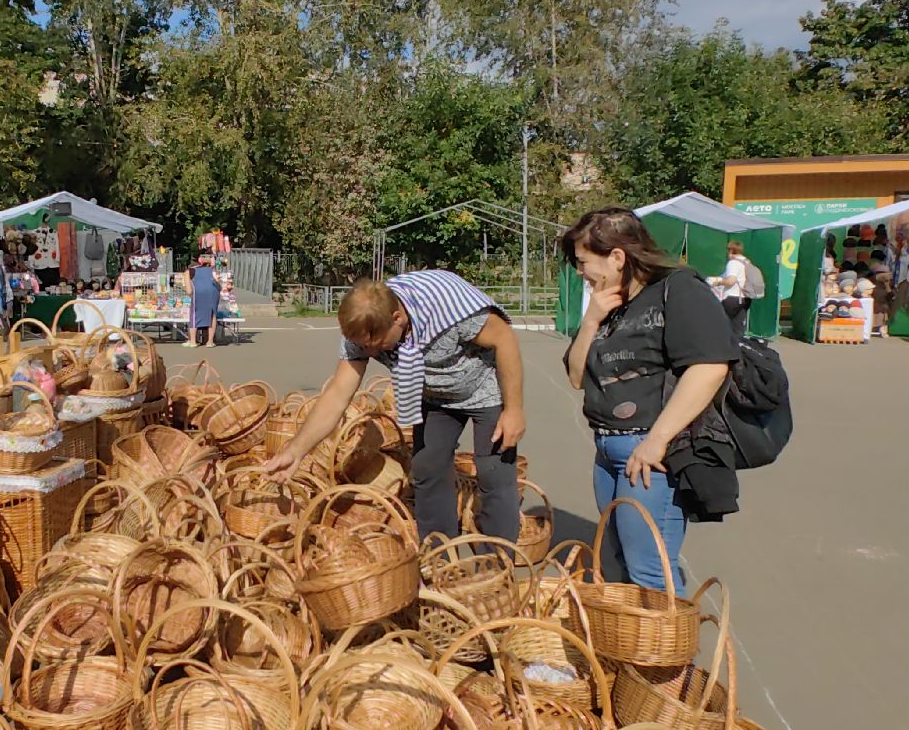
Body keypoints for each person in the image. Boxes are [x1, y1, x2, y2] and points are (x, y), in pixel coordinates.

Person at [263, 271, 526, 542]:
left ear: (397, 319)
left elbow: (504, 339)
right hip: (435, 395)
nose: (373, 353)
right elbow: (338, 394)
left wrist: (513, 410)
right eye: (365, 347)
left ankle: (497, 565)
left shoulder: (448, 309)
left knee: (493, 473)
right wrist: (295, 451)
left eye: (376, 345)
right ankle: (439, 555)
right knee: (427, 468)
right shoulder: (364, 330)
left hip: (484, 387)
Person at [561, 208, 737, 594]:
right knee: (621, 556)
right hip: (608, 451)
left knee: (649, 567)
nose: (580, 272)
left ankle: (670, 652)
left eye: (584, 262)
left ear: (618, 257)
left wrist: (657, 440)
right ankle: (637, 646)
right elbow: (576, 377)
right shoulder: (610, 303)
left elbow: (709, 367)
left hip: (649, 453)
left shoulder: (679, 289)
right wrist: (591, 320)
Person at [713, 240, 752, 337]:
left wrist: (718, 282)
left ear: (730, 250)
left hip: (732, 298)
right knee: (738, 328)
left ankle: (723, 348)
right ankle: (740, 349)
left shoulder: (733, 263)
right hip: (745, 299)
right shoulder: (746, 262)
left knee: (721, 325)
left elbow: (731, 281)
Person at [186, 253, 220, 348]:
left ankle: (193, 341)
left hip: (198, 293)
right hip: (213, 292)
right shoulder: (212, 269)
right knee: (212, 315)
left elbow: (189, 291)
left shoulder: (189, 271)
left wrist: (191, 295)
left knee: (194, 315)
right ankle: (210, 341)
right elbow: (218, 282)